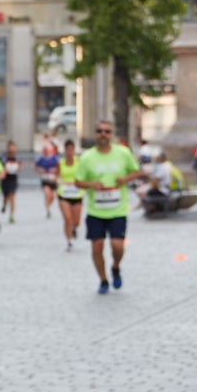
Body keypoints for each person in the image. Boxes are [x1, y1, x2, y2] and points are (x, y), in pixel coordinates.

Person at [76, 123, 144, 294]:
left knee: (117, 245)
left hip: (117, 209)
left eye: (107, 131)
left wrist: (124, 180)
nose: (103, 134)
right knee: (97, 246)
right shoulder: (87, 157)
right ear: (95, 134)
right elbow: (78, 181)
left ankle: (115, 267)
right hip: (96, 210)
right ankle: (103, 280)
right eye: (99, 131)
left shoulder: (123, 153)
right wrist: (92, 184)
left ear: (111, 134)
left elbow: (136, 171)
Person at [56, 138, 84, 250]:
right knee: (67, 218)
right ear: (65, 150)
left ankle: (74, 228)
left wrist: (78, 182)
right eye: (68, 149)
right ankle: (69, 241)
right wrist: (59, 181)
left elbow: (83, 175)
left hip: (77, 193)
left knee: (76, 221)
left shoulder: (79, 162)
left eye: (71, 149)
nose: (70, 151)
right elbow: (57, 176)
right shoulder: (61, 162)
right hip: (64, 193)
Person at [34, 138, 60, 220]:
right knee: (47, 194)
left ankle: (48, 205)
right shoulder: (40, 159)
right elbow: (36, 168)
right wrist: (40, 170)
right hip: (45, 180)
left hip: (53, 179)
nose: (46, 151)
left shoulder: (55, 158)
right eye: (44, 150)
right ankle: (48, 209)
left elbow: (59, 168)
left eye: (47, 150)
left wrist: (54, 170)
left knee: (53, 196)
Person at [0, 140, 21, 222]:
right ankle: (4, 204)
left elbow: (21, 167)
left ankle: (11, 215)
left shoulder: (17, 157)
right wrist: (4, 170)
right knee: (6, 196)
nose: (12, 149)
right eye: (10, 148)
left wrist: (17, 167)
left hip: (13, 179)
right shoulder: (3, 157)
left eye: (13, 148)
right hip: (5, 179)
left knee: (12, 195)